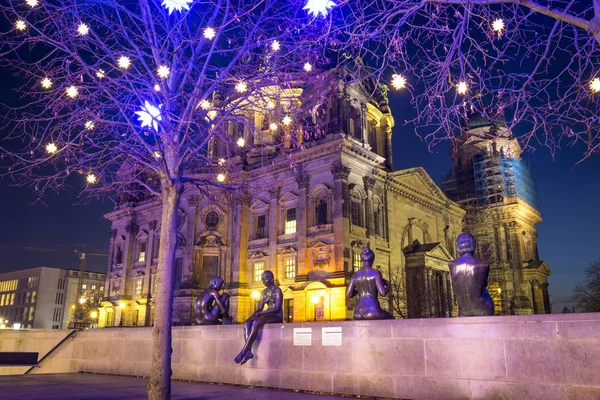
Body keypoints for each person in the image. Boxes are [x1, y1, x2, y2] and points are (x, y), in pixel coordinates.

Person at [234, 270, 283, 365]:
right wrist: (254, 314)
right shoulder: (264, 292)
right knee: (247, 323)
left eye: (265, 279)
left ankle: (244, 351)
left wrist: (261, 314)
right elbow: (260, 308)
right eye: (262, 279)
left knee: (256, 322)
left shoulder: (277, 290)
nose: (263, 281)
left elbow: (276, 308)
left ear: (271, 279)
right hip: (267, 314)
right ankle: (248, 352)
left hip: (276, 315)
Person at [448, 233, 494, 316]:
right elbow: (483, 284)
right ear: (473, 245)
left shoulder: (451, 265)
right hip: (483, 309)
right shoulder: (483, 265)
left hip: (463, 311)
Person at [346, 247, 394, 320]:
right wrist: (388, 285)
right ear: (373, 260)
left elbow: (348, 294)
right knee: (390, 317)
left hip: (357, 311)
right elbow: (383, 293)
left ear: (361, 260)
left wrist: (358, 290)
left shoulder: (355, 275)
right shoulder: (375, 273)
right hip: (372, 310)